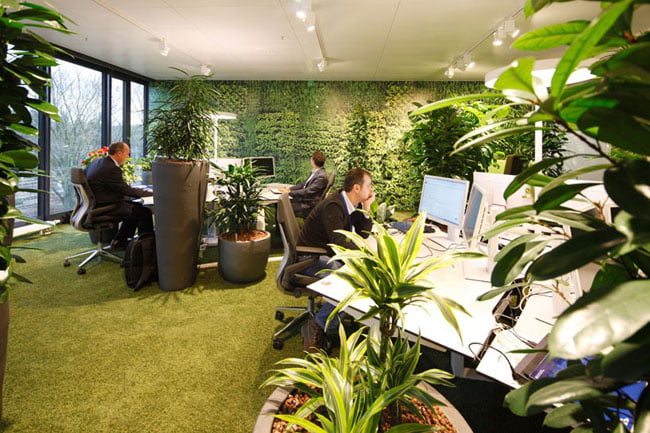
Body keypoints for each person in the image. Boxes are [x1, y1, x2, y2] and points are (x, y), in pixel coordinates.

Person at [297, 168, 375, 352]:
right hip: (310, 257)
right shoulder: (334, 206)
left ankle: (330, 322)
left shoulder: (347, 203)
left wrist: (367, 208)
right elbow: (338, 242)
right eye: (369, 186)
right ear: (357, 188)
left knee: (357, 276)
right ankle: (318, 325)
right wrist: (367, 257)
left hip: (325, 253)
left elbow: (364, 233)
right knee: (352, 281)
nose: (371, 190)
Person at [84, 141, 153, 249]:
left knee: (133, 208)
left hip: (94, 205)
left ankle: (119, 241)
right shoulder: (111, 168)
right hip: (104, 207)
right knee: (143, 212)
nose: (128, 157)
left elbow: (117, 187)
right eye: (127, 154)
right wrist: (150, 193)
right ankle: (146, 247)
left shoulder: (97, 162)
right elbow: (126, 191)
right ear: (119, 153)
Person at [279, 151, 328, 217]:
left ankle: (287, 226)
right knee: (283, 203)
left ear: (313, 160)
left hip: (308, 204)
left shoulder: (321, 176)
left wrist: (289, 193)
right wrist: (289, 189)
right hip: (304, 200)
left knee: (284, 205)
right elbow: (303, 184)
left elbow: (308, 191)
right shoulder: (316, 172)